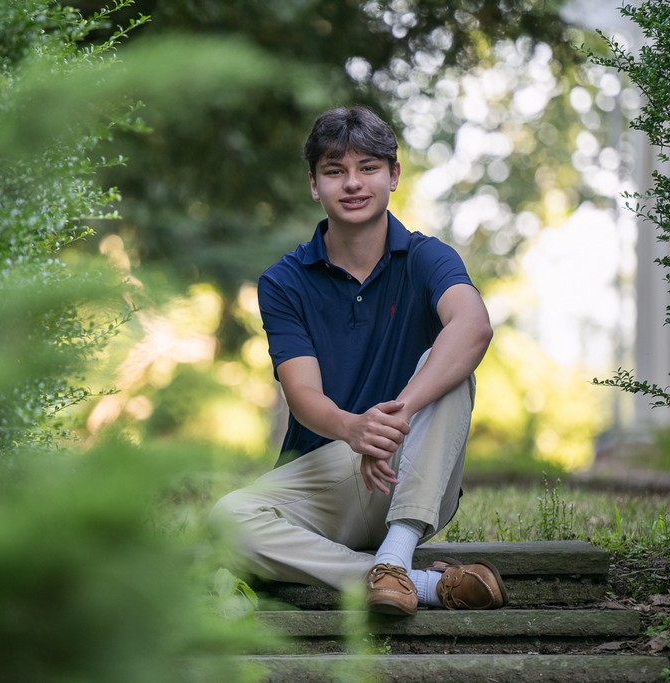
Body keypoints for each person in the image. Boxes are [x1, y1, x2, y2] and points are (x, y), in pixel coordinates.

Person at [210, 105, 504, 616]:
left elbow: (475, 326)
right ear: (314, 185)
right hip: (327, 478)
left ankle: (396, 547)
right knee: (228, 518)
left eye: (367, 168)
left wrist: (394, 419)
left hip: (412, 470)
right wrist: (352, 429)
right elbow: (303, 397)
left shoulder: (427, 257)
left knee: (450, 360)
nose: (352, 183)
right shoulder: (284, 281)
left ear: (393, 176)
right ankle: (411, 581)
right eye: (334, 171)